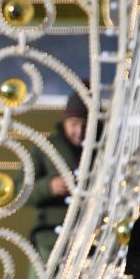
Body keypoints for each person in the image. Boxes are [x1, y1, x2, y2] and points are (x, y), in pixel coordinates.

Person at [32, 95, 87, 263]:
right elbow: (19, 191)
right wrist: (48, 187)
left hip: (89, 240)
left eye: (86, 125)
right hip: (50, 240)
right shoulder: (46, 148)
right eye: (74, 124)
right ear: (65, 122)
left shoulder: (103, 149)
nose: (80, 131)